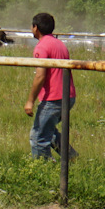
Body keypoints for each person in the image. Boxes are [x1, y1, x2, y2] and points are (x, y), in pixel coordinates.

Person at [24, 11, 77, 160]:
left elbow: (40, 76)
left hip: (54, 98)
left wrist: (30, 101)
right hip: (68, 96)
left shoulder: (42, 47)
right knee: (49, 131)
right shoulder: (59, 44)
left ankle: (43, 169)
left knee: (38, 136)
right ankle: (71, 158)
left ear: (36, 28)